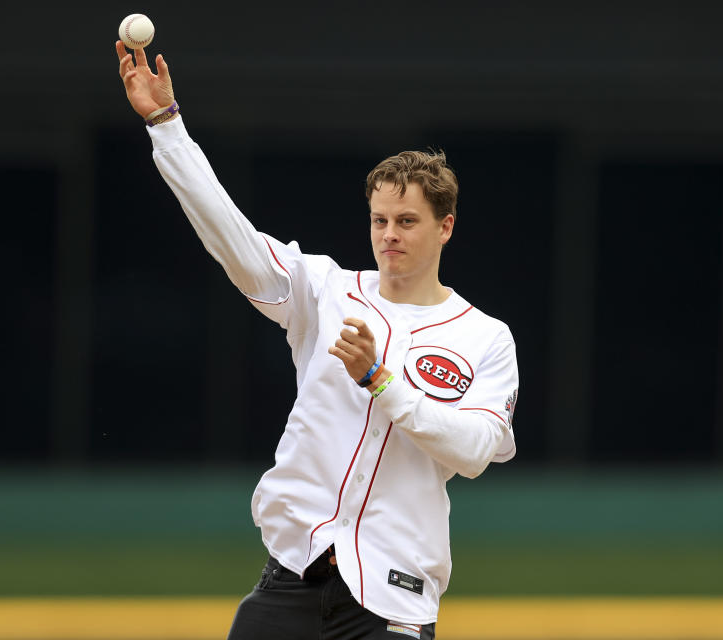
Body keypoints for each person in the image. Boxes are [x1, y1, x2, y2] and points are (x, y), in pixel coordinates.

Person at [116, 41, 519, 640]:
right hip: (293, 577)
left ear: (446, 226)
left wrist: (384, 383)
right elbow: (233, 237)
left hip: (392, 592)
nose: (390, 235)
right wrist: (165, 126)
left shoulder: (484, 336)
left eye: (407, 222)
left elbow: (475, 452)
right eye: (380, 220)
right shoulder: (327, 291)